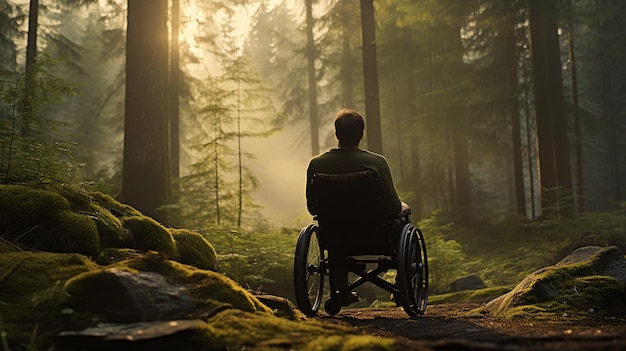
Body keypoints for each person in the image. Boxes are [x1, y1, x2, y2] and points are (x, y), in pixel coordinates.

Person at [305, 108, 408, 305]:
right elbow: (393, 207)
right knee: (404, 219)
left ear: (336, 134)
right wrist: (403, 208)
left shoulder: (317, 165)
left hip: (335, 237)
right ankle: (401, 287)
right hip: (376, 236)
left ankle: (341, 289)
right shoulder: (376, 163)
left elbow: (313, 209)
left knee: (337, 232)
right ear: (361, 134)